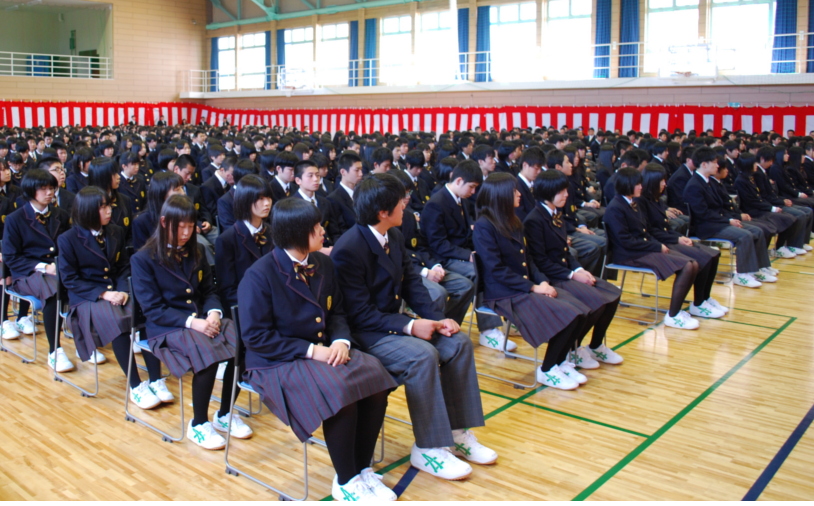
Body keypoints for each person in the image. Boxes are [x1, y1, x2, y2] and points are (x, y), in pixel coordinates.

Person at [333, 173, 496, 482]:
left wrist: (438, 318)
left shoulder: (392, 235)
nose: (406, 206)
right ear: (383, 212)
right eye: (401, 202)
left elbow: (412, 284)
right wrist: (411, 326)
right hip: (367, 334)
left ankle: (456, 432)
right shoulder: (349, 248)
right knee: (422, 356)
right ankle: (428, 447)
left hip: (392, 325)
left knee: (458, 343)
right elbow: (360, 315)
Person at [238, 198, 398, 501]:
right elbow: (256, 338)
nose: (324, 231)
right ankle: (346, 480)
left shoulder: (322, 262)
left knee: (375, 378)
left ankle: (362, 468)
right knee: (340, 391)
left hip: (323, 348)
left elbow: (337, 311)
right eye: (317, 228)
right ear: (299, 234)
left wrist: (341, 340)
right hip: (276, 360)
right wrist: (312, 351)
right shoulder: (258, 276)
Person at [131, 194, 252, 450]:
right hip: (166, 328)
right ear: (164, 223)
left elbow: (209, 291)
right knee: (206, 353)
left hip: (200, 320)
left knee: (243, 345)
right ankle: (198, 424)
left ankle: (225, 413)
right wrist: (192, 322)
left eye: (190, 226)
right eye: (181, 227)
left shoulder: (195, 250)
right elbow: (153, 309)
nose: (187, 233)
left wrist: (214, 313)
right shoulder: (143, 259)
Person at [473, 172, 599, 389]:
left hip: (523, 286)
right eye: (514, 191)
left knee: (581, 308)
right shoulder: (485, 225)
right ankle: (548, 369)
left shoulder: (513, 220)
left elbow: (528, 259)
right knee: (568, 314)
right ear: (502, 195)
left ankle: (560, 361)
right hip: (504, 293)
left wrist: (543, 283)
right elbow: (496, 270)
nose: (519, 194)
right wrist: (533, 287)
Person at [58, 187, 170, 408]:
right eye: (103, 207)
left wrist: (122, 291)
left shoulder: (115, 231)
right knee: (118, 323)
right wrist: (104, 293)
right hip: (87, 298)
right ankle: (136, 385)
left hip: (116, 292)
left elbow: (123, 267)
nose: (109, 210)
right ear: (88, 210)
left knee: (147, 313)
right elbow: (70, 279)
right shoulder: (68, 239)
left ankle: (156, 379)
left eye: (109, 205)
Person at [523, 170, 624, 370]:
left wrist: (579, 269)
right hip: (552, 277)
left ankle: (594, 346)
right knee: (596, 302)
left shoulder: (555, 214)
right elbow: (540, 261)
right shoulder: (534, 220)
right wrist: (572, 275)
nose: (566, 195)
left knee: (613, 294)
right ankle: (573, 348)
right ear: (547, 192)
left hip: (565, 271)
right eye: (561, 192)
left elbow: (565, 251)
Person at [421, 160, 515, 352]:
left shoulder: (460, 200)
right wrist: (468, 255)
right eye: (471, 187)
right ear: (459, 181)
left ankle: (485, 322)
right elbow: (437, 244)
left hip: (459, 254)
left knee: (491, 263)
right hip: (442, 258)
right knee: (479, 271)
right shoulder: (436, 204)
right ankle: (487, 328)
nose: (473, 192)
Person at [605, 168, 702, 330]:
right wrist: (656, 246)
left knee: (693, 264)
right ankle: (673, 315)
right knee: (687, 266)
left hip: (642, 249)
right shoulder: (616, 207)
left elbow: (645, 231)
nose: (641, 187)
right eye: (637, 184)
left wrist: (656, 244)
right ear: (627, 185)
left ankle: (676, 311)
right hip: (629, 254)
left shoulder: (632, 203)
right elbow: (626, 241)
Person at [2, 169, 72, 369]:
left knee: (79, 285)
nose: (49, 192)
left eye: (51, 188)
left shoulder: (60, 214)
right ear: (31, 191)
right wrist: (43, 267)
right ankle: (54, 350)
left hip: (57, 270)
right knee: (52, 291)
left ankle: (87, 342)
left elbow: (68, 246)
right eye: (43, 189)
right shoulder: (16, 219)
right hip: (27, 274)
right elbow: (11, 256)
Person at [638, 164, 728, 317]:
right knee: (702, 259)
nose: (664, 184)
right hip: (660, 242)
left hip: (668, 238)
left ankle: (704, 298)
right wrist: (677, 239)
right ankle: (698, 303)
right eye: (661, 180)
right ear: (652, 181)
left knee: (713, 254)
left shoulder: (657, 199)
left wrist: (679, 237)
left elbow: (664, 227)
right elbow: (652, 231)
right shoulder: (642, 201)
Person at [390, 169, 475, 324]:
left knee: (465, 285)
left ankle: (446, 325)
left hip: (422, 264)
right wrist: (424, 272)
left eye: (409, 194)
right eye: (404, 195)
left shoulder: (408, 216)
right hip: (406, 272)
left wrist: (434, 265)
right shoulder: (384, 219)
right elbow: (395, 255)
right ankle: (436, 328)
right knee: (439, 293)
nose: (408, 199)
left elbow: (420, 246)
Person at [685, 147, 775, 288]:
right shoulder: (694, 185)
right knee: (744, 236)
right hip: (707, 227)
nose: (717, 165)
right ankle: (742, 274)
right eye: (714, 163)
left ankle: (758, 268)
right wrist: (728, 220)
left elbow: (720, 208)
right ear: (704, 164)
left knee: (757, 231)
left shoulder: (708, 181)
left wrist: (732, 218)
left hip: (718, 221)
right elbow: (703, 214)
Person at [214, 175, 273, 317]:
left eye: (268, 198)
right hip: (247, 309)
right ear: (245, 201)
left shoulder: (273, 232)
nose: (267, 203)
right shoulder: (227, 240)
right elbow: (228, 290)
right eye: (260, 199)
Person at [735, 153, 799, 261]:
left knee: (789, 217)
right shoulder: (740, 180)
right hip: (754, 211)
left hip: (760, 208)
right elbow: (752, 201)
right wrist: (771, 208)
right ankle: (771, 253)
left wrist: (771, 206)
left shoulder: (749, 178)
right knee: (774, 224)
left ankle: (779, 247)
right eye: (754, 163)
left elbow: (759, 198)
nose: (756, 165)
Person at [291, 159, 344, 249]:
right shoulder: (292, 206)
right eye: (310, 176)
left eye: (317, 175)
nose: (316, 179)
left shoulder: (325, 202)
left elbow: (335, 232)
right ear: (298, 180)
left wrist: (336, 248)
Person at [132, 172, 186, 251]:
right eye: (177, 190)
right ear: (162, 194)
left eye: (182, 188)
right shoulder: (141, 222)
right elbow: (141, 256)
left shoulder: (183, 214)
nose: (183, 193)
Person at [88, 157, 133, 246]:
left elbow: (130, 233)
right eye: (114, 174)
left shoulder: (124, 200)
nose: (119, 176)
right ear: (103, 177)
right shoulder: (87, 203)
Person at [328, 151, 364, 234]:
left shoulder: (362, 192)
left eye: (361, 170)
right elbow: (339, 231)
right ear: (343, 172)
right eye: (357, 170)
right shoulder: (334, 199)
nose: (361, 174)